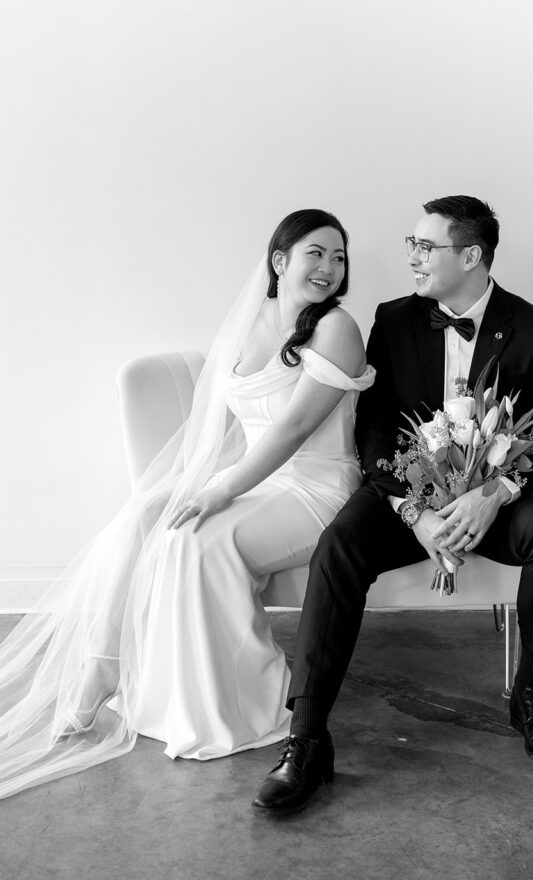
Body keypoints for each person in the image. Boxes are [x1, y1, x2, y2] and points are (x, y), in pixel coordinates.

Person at [0, 209, 374, 799]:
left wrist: (222, 489)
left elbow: (295, 427)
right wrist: (192, 482)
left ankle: (240, 696)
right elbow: (219, 426)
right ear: (280, 261)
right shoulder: (249, 326)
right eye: (316, 253)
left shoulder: (338, 329)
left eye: (339, 257)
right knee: (150, 514)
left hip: (316, 489)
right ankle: (104, 665)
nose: (330, 268)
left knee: (202, 541)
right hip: (256, 480)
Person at [253, 195, 533, 815]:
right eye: (413, 244)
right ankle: (307, 739)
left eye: (424, 247)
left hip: (504, 506)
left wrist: (495, 492)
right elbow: (376, 434)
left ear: (472, 256)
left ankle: (531, 691)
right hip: (413, 498)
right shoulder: (394, 319)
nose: (412, 257)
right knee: (342, 544)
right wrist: (416, 512)